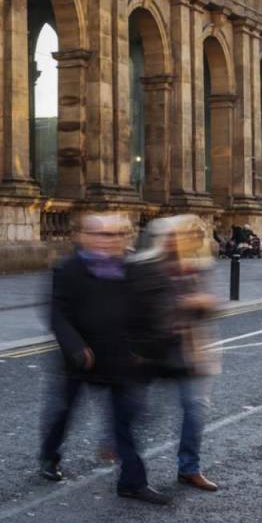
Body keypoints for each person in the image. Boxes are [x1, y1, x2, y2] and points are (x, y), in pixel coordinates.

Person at [37, 212, 172, 504]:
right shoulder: (69, 270)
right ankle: (49, 456)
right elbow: (57, 314)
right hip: (80, 359)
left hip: (121, 358)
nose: (106, 240)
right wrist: (75, 346)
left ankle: (132, 482)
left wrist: (145, 349)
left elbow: (152, 312)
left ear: (126, 237)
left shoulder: (136, 271)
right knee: (62, 412)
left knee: (124, 423)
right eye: (99, 234)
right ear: (82, 236)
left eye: (114, 234)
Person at [136, 215, 222, 492]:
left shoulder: (197, 267)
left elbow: (212, 307)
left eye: (192, 236)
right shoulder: (146, 267)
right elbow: (135, 309)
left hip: (189, 350)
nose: (187, 240)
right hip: (152, 350)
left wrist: (206, 304)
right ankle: (124, 455)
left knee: (195, 409)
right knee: (142, 412)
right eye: (182, 235)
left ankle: (189, 468)